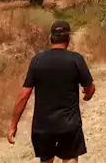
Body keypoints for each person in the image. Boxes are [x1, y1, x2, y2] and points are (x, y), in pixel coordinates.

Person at [7, 19, 95, 162]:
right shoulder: (76, 60)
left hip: (43, 127)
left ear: (50, 38)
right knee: (71, 158)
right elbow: (90, 88)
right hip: (69, 125)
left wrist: (13, 126)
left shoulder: (37, 60)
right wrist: (87, 96)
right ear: (68, 38)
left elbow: (24, 95)